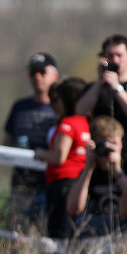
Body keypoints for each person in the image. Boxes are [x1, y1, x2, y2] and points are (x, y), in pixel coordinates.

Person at [75, 34, 127, 180]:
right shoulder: (95, 88)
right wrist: (100, 82)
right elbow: (80, 111)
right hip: (103, 157)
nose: (115, 60)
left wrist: (117, 88)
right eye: (110, 56)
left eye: (119, 55)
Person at [3, 52, 60, 231]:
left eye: (42, 72)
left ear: (55, 75)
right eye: (33, 72)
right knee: (15, 234)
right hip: (22, 184)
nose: (37, 77)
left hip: (51, 184)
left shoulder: (61, 109)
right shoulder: (20, 107)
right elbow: (7, 140)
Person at [33, 77, 90, 239]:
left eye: (58, 99)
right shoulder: (84, 122)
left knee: (59, 231)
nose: (55, 104)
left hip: (62, 184)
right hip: (78, 181)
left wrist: (40, 153)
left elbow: (59, 157)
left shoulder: (67, 124)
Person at [66, 116, 127, 236]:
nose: (109, 148)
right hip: (95, 226)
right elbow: (73, 209)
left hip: (124, 225)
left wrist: (117, 170)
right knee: (81, 223)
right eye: (104, 143)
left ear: (121, 144)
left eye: (114, 143)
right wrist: (88, 168)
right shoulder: (88, 168)